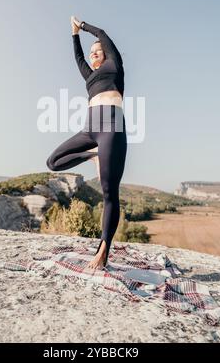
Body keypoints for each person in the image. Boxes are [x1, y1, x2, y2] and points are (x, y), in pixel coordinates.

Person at [46, 16, 127, 270]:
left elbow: (102, 33)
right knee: (53, 161)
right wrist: (73, 37)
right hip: (89, 130)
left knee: (108, 191)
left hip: (112, 127)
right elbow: (78, 59)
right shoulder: (90, 78)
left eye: (97, 51)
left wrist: (82, 26)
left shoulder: (114, 65)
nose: (93, 56)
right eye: (92, 53)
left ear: (106, 53)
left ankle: (103, 250)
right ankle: (93, 154)